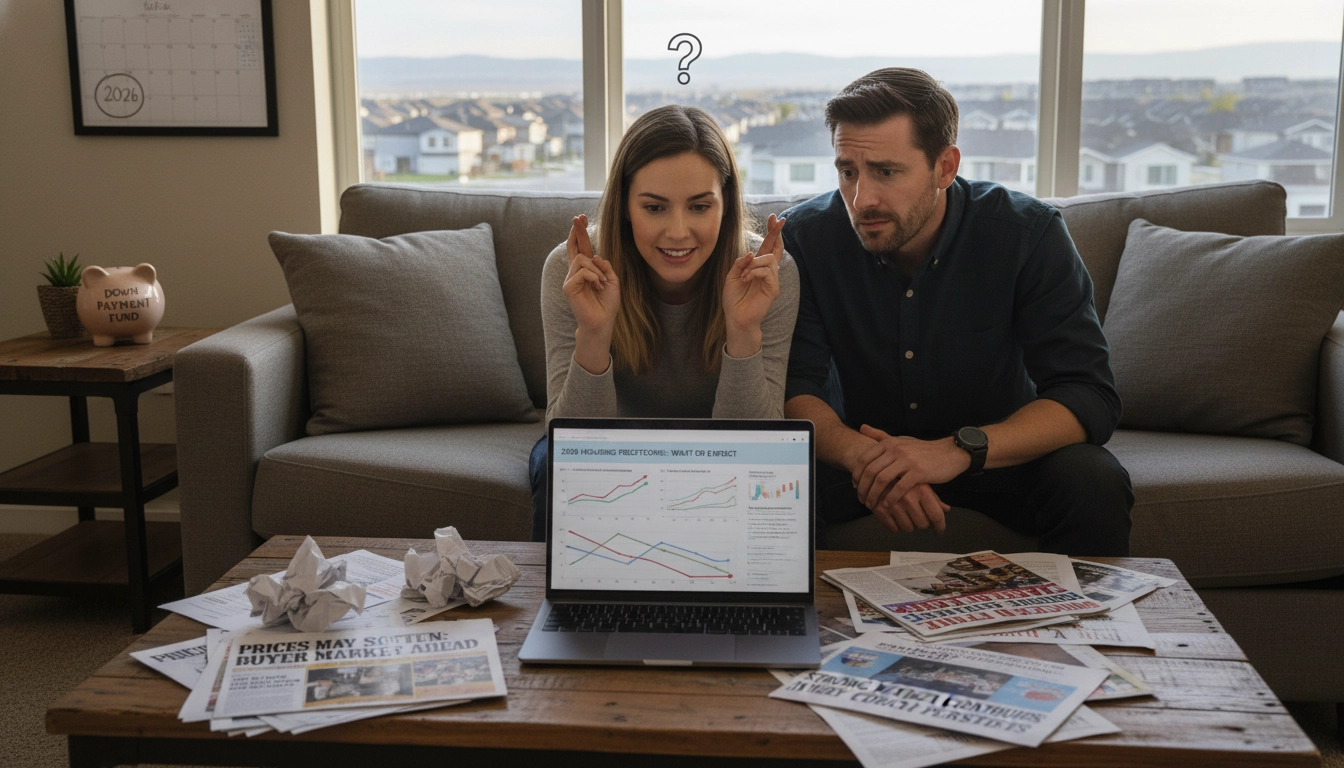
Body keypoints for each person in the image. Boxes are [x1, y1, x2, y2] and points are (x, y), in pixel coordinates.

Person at [781, 68, 1133, 556]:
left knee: (1091, 478)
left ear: (945, 167)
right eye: (847, 172)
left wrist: (954, 452)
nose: (862, 199)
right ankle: (797, 633)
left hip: (997, 459)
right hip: (859, 463)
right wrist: (872, 462)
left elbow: (1088, 394)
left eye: (886, 171)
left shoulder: (1027, 235)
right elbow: (795, 387)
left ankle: (1086, 631)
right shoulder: (806, 239)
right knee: (779, 480)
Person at [529, 104, 801, 541]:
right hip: (614, 449)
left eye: (699, 207)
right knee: (553, 461)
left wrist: (744, 331)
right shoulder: (573, 267)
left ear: (725, 205)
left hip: (719, 450)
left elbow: (759, 449)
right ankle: (581, 608)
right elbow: (573, 441)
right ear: (624, 208)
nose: (678, 232)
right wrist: (595, 334)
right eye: (655, 208)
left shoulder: (768, 273)